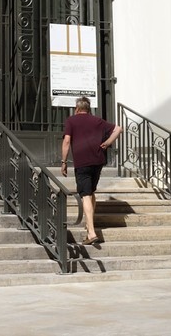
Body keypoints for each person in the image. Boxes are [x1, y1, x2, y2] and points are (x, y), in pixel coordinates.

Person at [60, 96, 120, 246]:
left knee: (85, 195)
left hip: (82, 163)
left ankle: (92, 232)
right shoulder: (97, 120)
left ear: (77, 108)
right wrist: (108, 142)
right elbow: (118, 129)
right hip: (98, 161)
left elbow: (67, 141)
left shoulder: (71, 121)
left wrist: (63, 162)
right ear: (88, 108)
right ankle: (89, 225)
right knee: (91, 192)